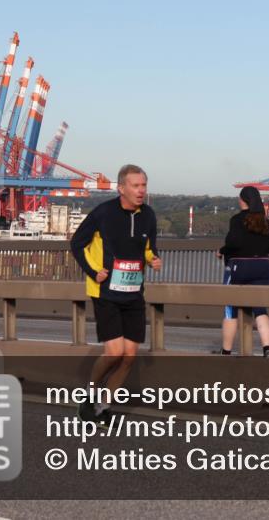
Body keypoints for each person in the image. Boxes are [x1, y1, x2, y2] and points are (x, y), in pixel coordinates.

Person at [70, 164, 162, 422]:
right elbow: (76, 243)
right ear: (122, 188)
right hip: (105, 291)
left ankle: (103, 407)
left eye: (144, 185)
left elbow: (149, 248)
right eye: (136, 185)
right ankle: (90, 395)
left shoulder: (149, 215)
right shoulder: (103, 213)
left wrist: (154, 259)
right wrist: (92, 271)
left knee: (129, 356)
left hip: (134, 292)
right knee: (114, 352)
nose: (141, 190)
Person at [218, 186, 269, 357]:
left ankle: (226, 351)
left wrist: (222, 250)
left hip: (241, 267)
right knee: (260, 309)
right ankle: (267, 348)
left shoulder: (237, 220)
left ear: (242, 200)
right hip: (263, 267)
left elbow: (233, 244)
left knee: (230, 310)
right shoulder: (264, 220)